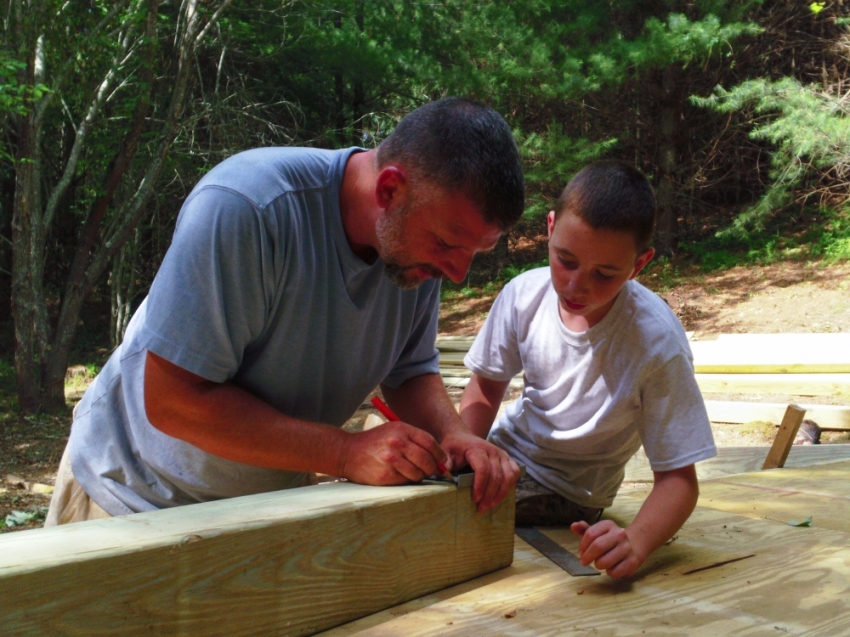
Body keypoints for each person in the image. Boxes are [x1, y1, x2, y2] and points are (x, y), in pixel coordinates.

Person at [46, 97, 525, 526]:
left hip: (266, 509)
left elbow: (408, 372)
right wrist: (342, 452)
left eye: (473, 253)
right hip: (129, 497)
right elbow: (172, 400)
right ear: (389, 191)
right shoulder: (248, 208)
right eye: (447, 243)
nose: (458, 273)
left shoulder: (415, 253)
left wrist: (453, 433)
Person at [459, 160, 716, 578]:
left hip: (567, 491)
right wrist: (461, 452)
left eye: (605, 273)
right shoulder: (523, 295)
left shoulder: (656, 343)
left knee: (458, 513)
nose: (577, 286)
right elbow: (485, 389)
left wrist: (636, 541)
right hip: (503, 452)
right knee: (420, 487)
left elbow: (679, 482)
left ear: (639, 264)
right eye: (566, 260)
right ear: (550, 227)